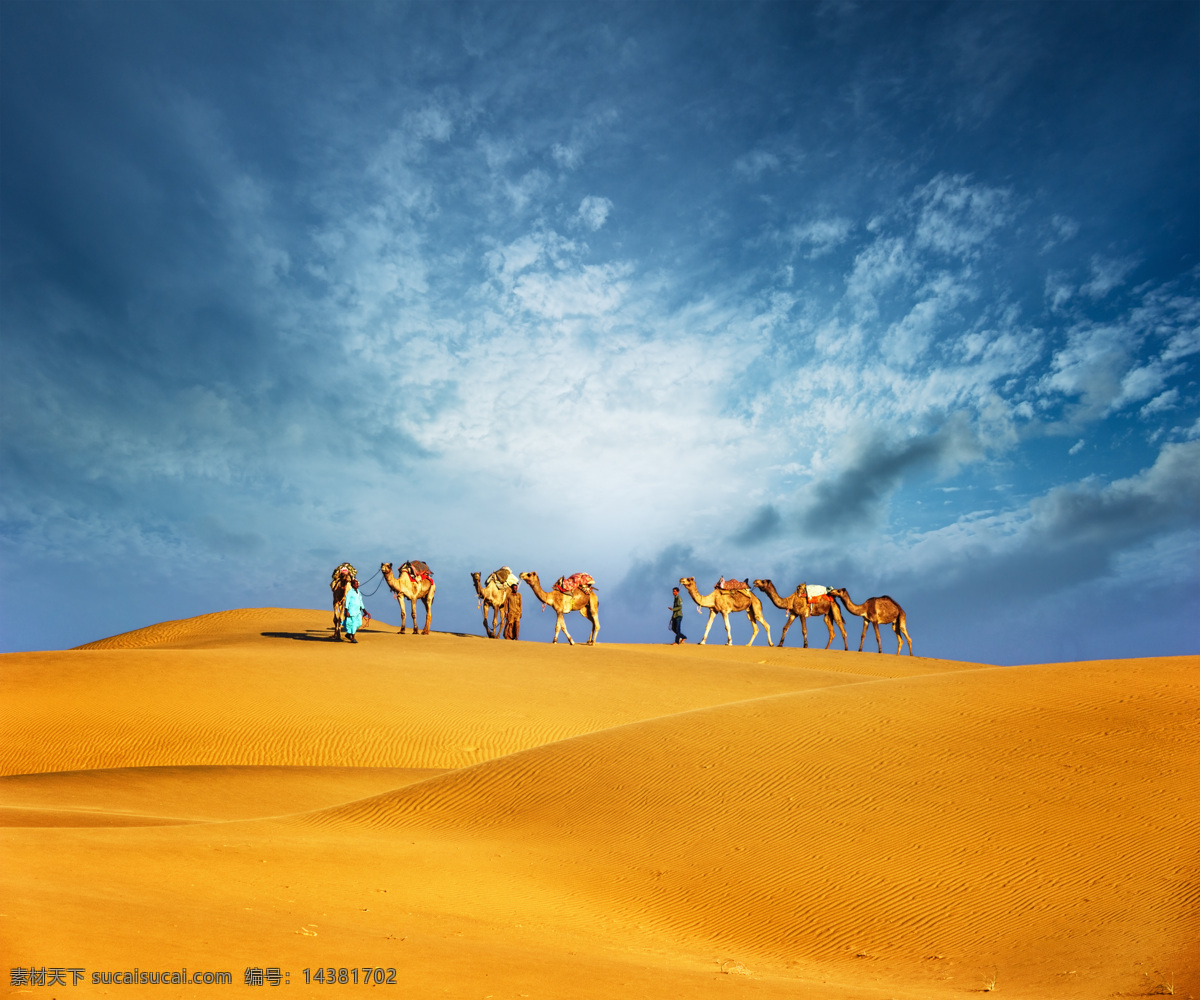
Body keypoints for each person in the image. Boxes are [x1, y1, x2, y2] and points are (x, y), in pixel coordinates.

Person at [343, 578, 365, 644]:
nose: (357, 585)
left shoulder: (358, 592)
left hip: (358, 611)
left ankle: (348, 634)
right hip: (351, 611)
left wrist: (365, 611)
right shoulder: (350, 592)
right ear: (353, 585)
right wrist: (346, 611)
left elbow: (360, 601)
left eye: (357, 584)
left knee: (359, 623)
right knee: (353, 624)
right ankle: (353, 638)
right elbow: (347, 601)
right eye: (356, 584)